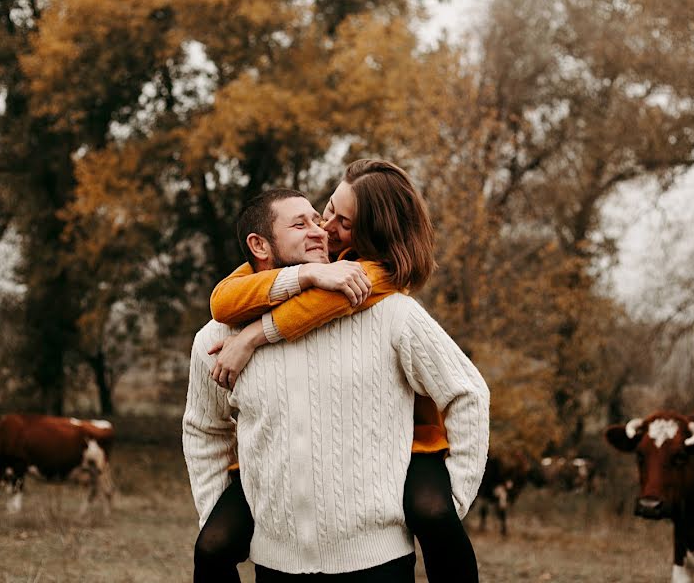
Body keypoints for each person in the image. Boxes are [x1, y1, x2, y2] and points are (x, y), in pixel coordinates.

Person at [183, 185, 489, 581]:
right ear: (259, 246)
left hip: (379, 563)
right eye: (301, 223)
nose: (321, 230)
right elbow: (203, 430)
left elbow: (467, 393)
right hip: (276, 564)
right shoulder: (214, 340)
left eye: (320, 218)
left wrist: (452, 500)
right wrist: (212, 512)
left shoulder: (391, 313)